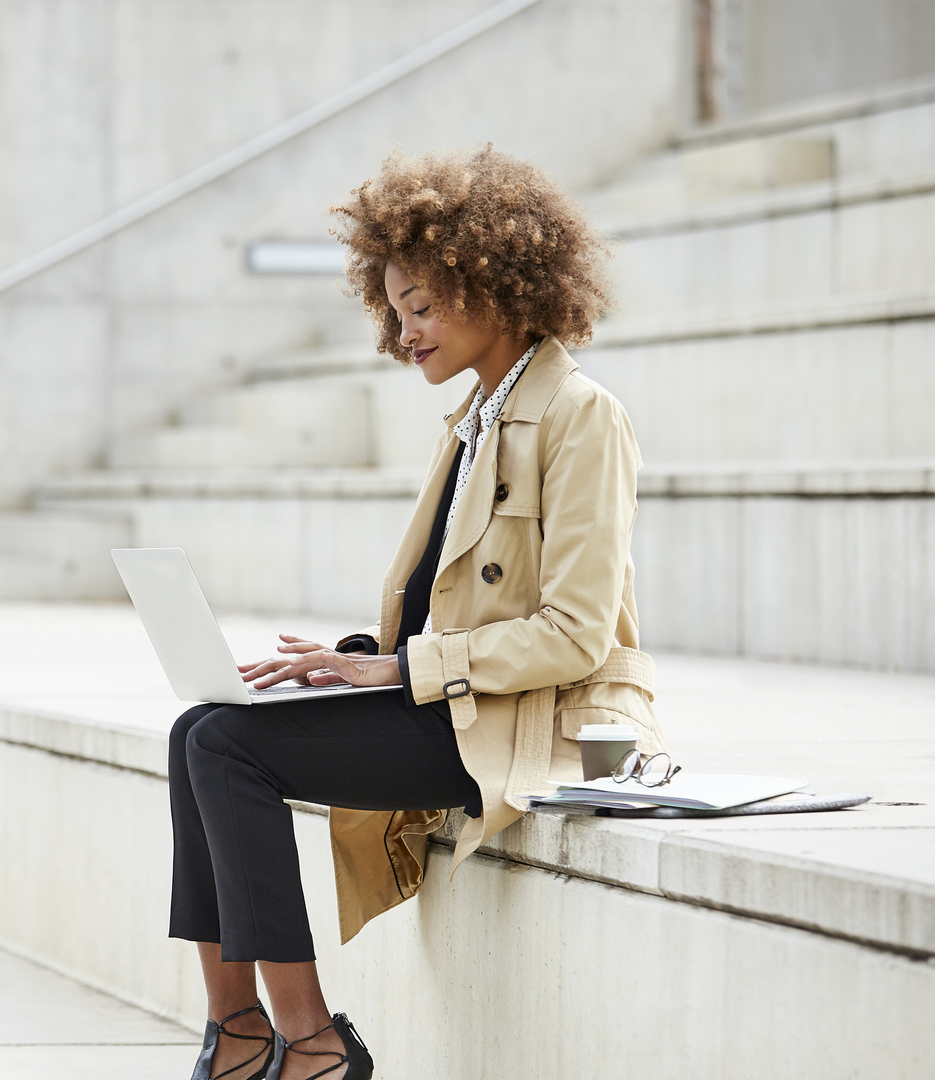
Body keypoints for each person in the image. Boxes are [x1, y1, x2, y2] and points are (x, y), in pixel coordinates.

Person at [170, 146, 669, 1080]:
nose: (405, 335)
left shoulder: (581, 417)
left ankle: (310, 1046)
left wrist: (396, 672)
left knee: (222, 749)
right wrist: (353, 658)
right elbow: (446, 610)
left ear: (497, 285)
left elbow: (574, 635)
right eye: (396, 311)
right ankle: (237, 1035)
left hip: (527, 724)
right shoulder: (478, 419)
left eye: (421, 308)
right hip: (453, 702)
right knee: (198, 725)